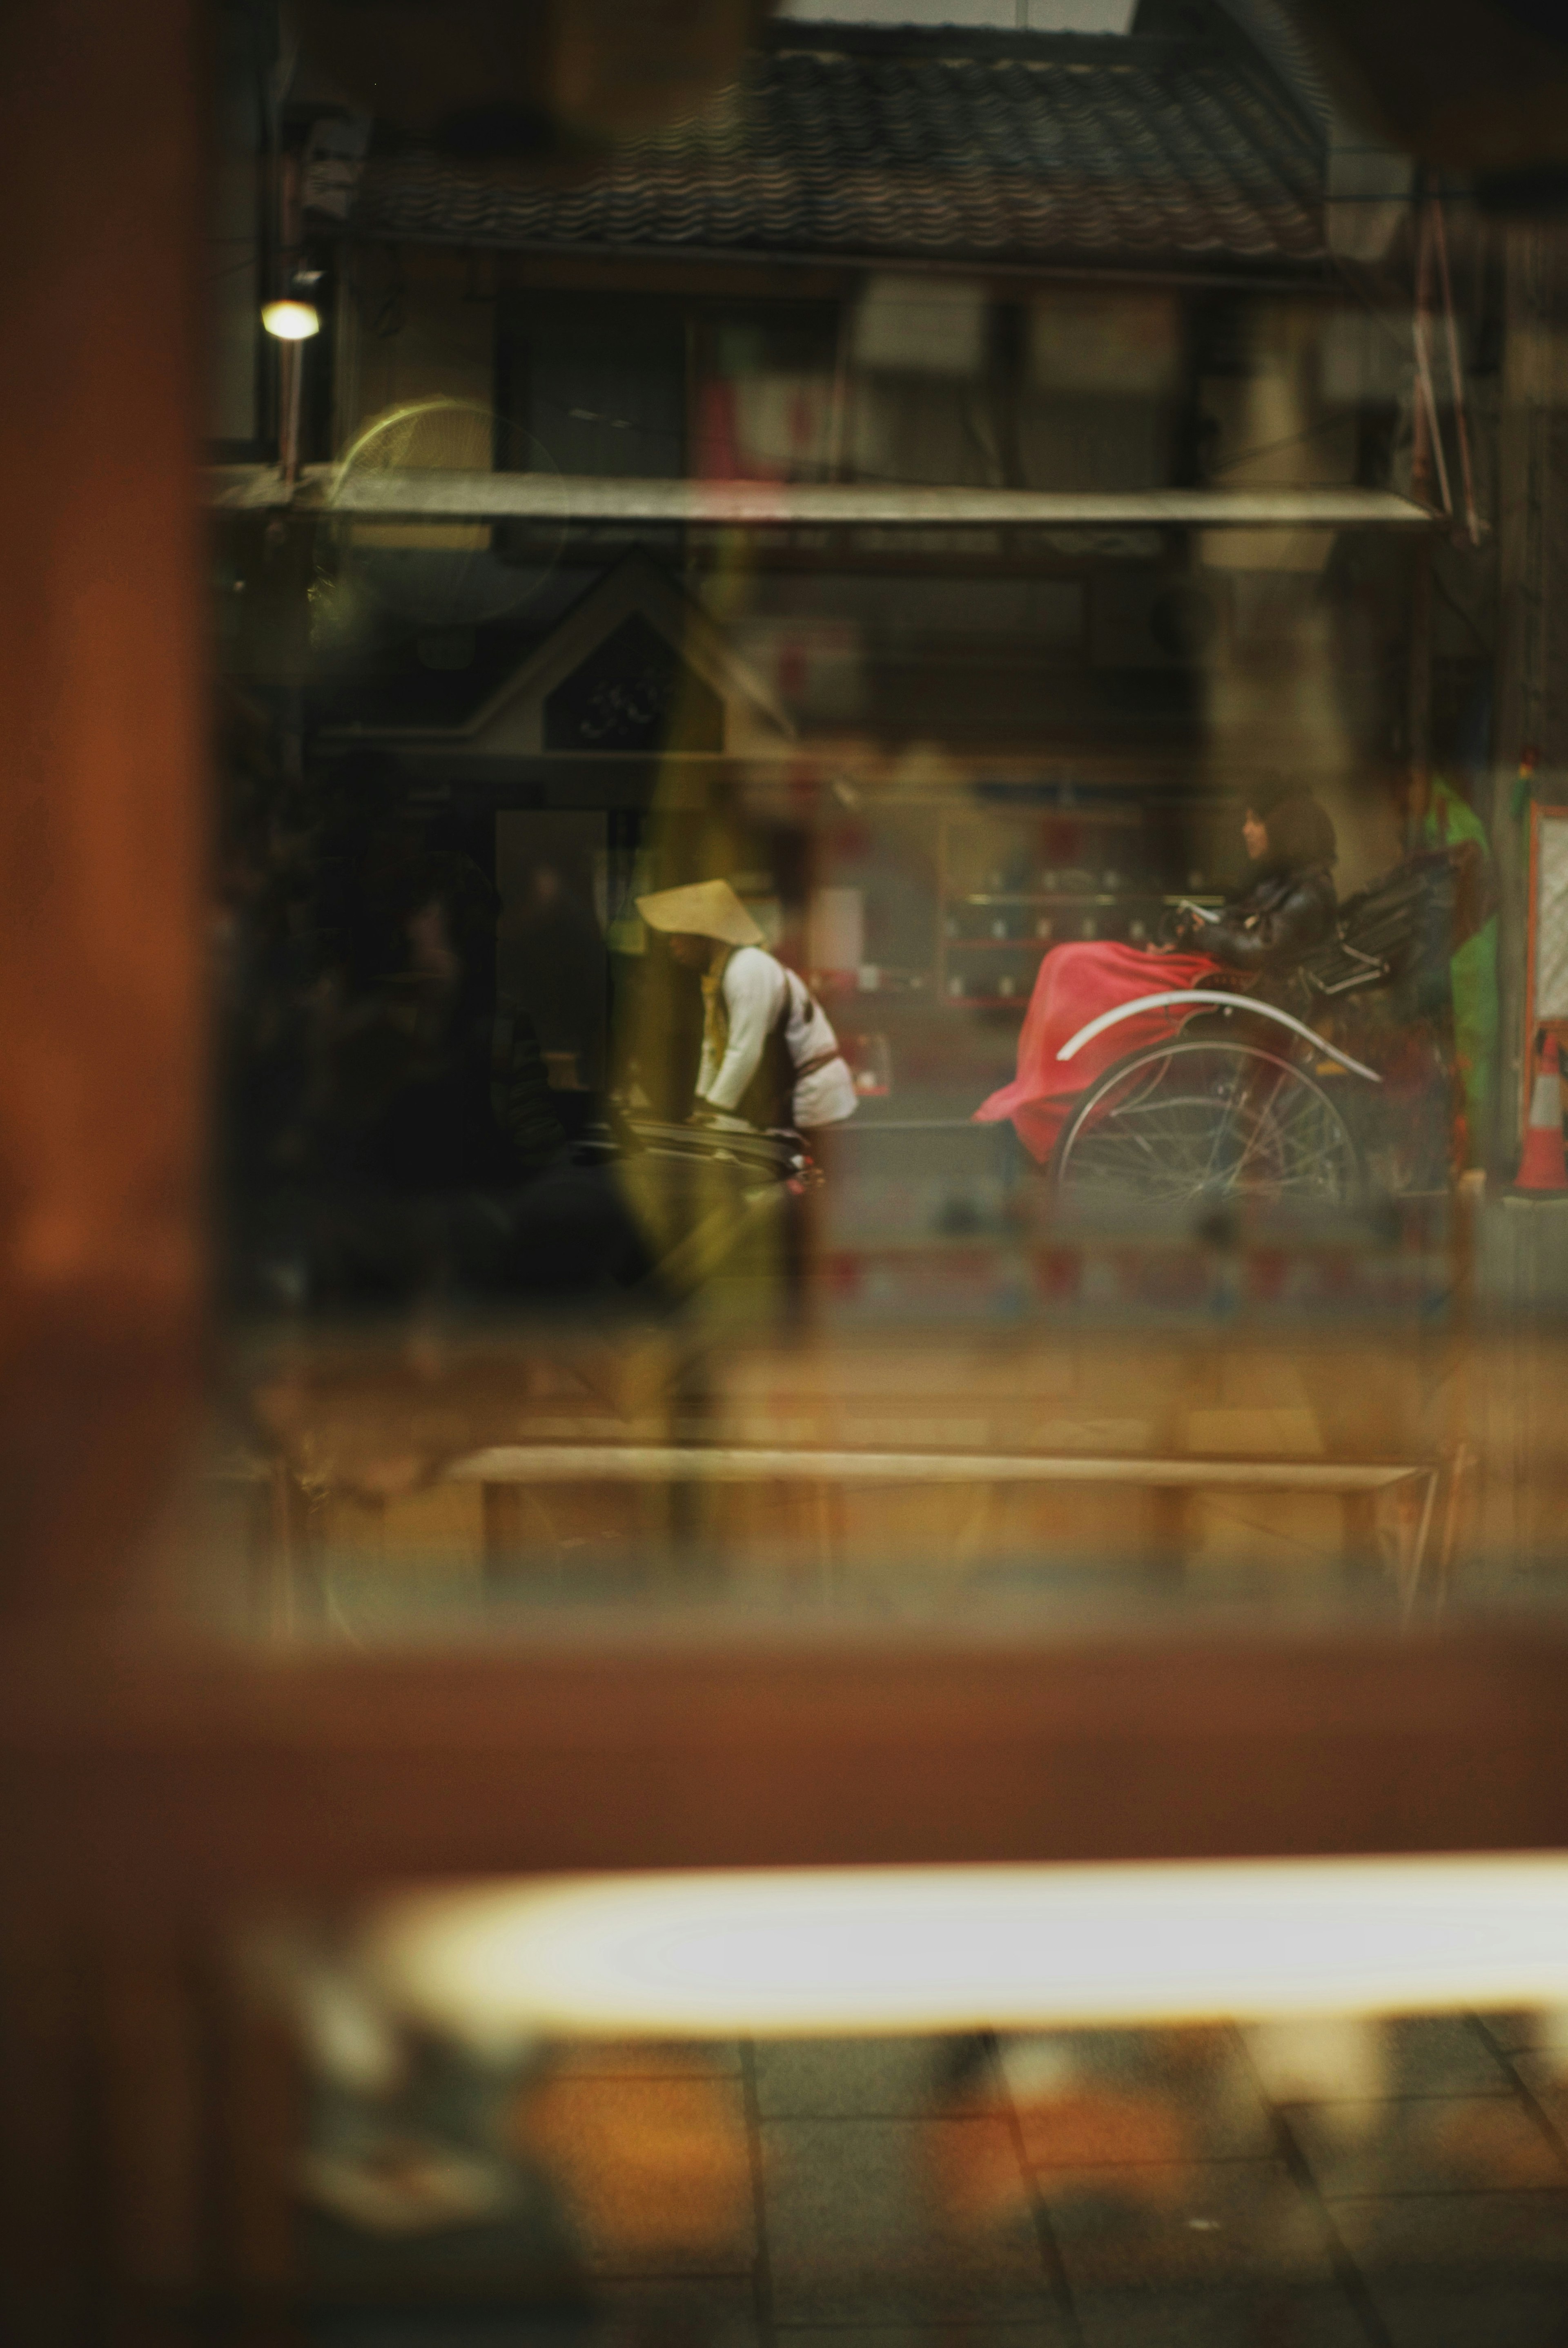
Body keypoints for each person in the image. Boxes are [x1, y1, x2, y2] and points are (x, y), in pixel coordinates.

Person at [975, 789, 1339, 1164]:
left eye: (1255, 821)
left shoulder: (1309, 894)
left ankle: (1054, 1090)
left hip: (1222, 982)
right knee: (1061, 963)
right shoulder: (1281, 885)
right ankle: (1039, 1084)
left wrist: (1199, 931)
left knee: (1071, 965)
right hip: (1206, 969)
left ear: (1285, 831)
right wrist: (1195, 925)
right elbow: (1241, 930)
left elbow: (1257, 947)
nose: (1246, 830)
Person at [635, 879, 858, 1134]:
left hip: (814, 1096)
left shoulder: (747, 967)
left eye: (679, 936)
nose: (673, 944)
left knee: (803, 1170)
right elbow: (712, 1046)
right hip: (786, 1094)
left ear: (704, 938)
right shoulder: (717, 975)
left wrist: (717, 1109)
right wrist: (703, 1103)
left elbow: (744, 1050)